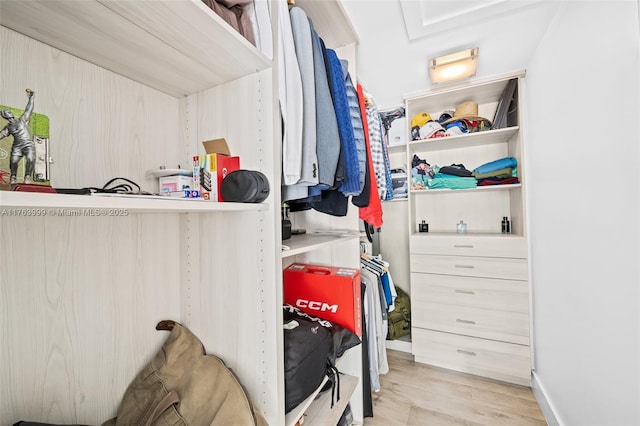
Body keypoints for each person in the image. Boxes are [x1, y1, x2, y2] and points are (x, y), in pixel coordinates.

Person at [0, 89, 36, 185]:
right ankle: (13, 176)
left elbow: (29, 108)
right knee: (13, 161)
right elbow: (1, 135)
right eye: (5, 112)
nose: (7, 112)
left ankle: (27, 176)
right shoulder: (8, 127)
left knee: (31, 159)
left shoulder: (22, 120)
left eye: (8, 111)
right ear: (4, 116)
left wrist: (31, 98)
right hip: (17, 146)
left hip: (28, 144)